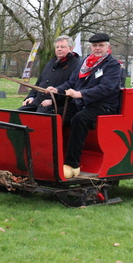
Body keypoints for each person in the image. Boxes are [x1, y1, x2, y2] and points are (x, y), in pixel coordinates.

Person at [46, 33, 122, 178]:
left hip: (104, 106)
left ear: (108, 47)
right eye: (94, 46)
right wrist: (57, 90)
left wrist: (80, 94)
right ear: (90, 47)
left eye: (101, 46)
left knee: (79, 119)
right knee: (54, 115)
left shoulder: (113, 65)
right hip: (82, 103)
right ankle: (52, 157)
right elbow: (72, 82)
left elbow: (106, 88)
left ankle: (72, 165)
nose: (97, 48)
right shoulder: (84, 62)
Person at [18, 36, 80, 115]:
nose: (59, 49)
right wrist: (31, 97)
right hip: (38, 100)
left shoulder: (76, 65)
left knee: (39, 119)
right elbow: (39, 82)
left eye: (62, 47)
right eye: (57, 47)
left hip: (57, 104)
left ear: (71, 48)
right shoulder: (50, 63)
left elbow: (71, 87)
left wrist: (53, 101)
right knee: (17, 114)